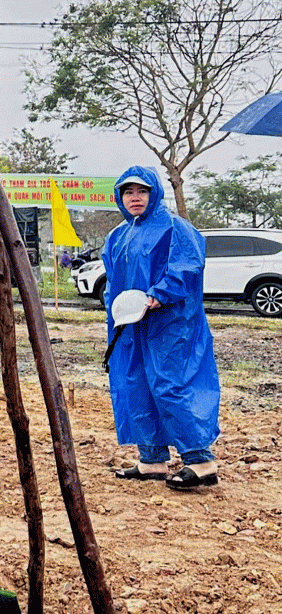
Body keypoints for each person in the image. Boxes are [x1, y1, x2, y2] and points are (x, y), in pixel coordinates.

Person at [102, 166, 219, 491]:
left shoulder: (175, 227)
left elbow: (188, 266)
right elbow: (113, 281)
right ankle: (152, 460)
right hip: (131, 327)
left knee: (172, 384)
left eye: (142, 191)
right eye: (128, 192)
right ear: (120, 197)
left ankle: (201, 461)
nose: (135, 198)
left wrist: (159, 294)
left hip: (171, 325)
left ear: (154, 193)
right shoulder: (118, 235)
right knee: (136, 384)